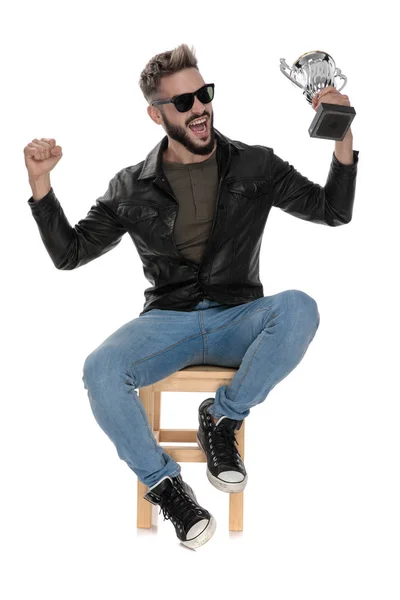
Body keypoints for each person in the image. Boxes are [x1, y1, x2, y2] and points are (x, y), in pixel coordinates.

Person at [24, 43, 359, 550]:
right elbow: (70, 253)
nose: (199, 107)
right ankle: (166, 487)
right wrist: (42, 187)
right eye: (184, 102)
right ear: (156, 114)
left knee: (299, 308)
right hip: (168, 323)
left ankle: (222, 416)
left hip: (237, 317)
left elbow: (333, 210)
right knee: (100, 370)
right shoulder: (129, 187)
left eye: (203, 94)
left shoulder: (255, 164)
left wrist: (342, 134)